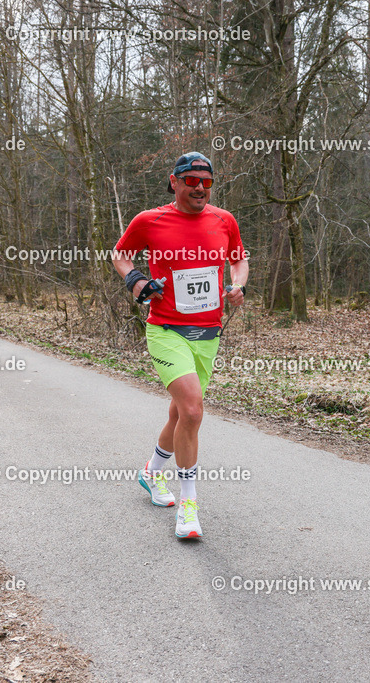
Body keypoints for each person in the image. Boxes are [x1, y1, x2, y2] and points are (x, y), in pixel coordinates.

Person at [111, 152, 249, 539]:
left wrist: (238, 285)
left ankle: (151, 474)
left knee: (179, 415)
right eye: (191, 180)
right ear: (174, 181)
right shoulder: (149, 220)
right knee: (192, 410)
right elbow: (120, 254)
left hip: (208, 332)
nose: (200, 188)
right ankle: (188, 507)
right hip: (166, 329)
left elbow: (239, 260)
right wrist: (136, 280)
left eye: (206, 181)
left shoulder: (224, 221)